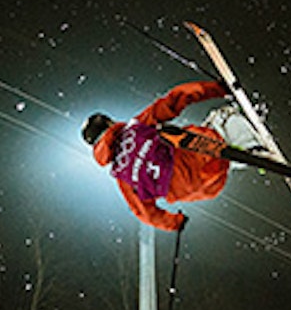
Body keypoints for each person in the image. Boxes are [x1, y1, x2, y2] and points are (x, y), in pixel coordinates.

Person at [82, 79, 260, 232]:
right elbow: (174, 100)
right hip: (202, 154)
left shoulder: (122, 178)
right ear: (109, 122)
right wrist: (218, 89)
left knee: (205, 163)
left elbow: (145, 214)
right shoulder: (136, 127)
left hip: (203, 189)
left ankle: (241, 156)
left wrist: (175, 222)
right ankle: (250, 136)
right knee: (218, 119)